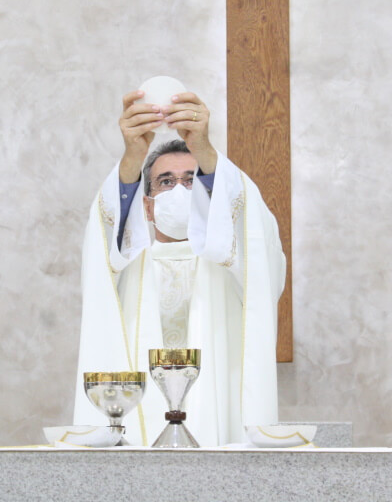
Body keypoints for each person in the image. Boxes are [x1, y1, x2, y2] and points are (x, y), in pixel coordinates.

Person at [73, 89, 286, 446]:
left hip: (219, 420)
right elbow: (101, 240)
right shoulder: (124, 262)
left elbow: (256, 237)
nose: (180, 191)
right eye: (166, 182)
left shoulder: (232, 261)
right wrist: (132, 158)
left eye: (192, 180)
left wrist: (204, 149)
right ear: (147, 205)